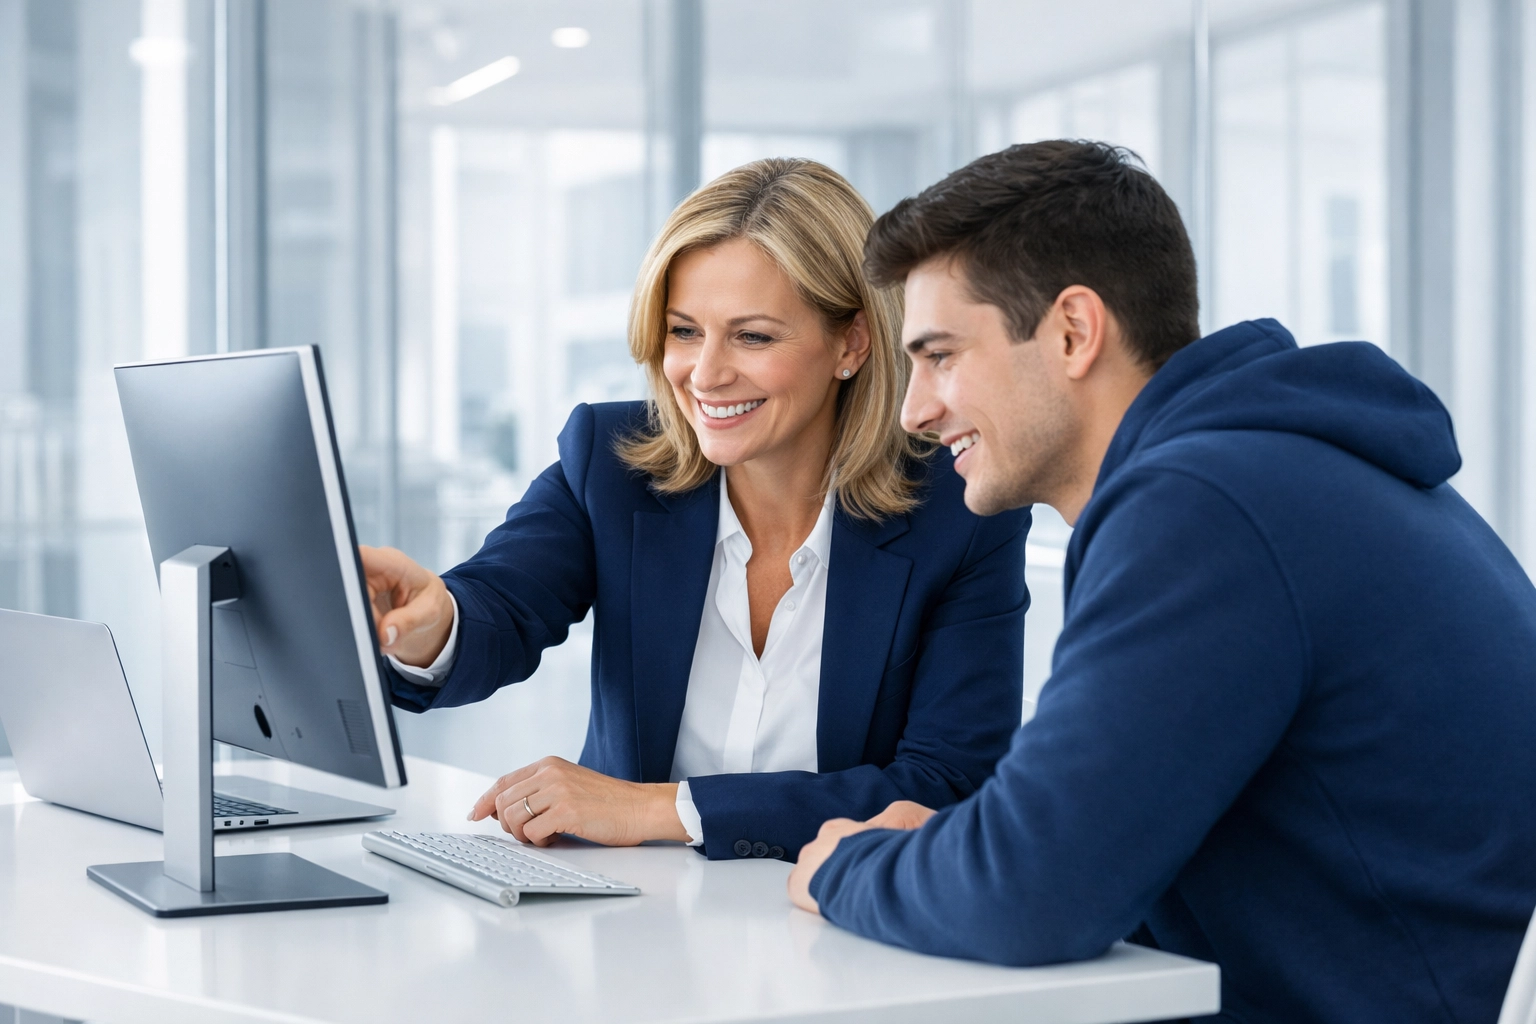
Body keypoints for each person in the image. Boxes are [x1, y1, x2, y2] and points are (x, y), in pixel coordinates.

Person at [786, 140, 1536, 1024]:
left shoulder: (1205, 506)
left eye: (941, 354)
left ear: (1073, 331)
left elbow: (1032, 892)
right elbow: (1075, 829)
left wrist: (844, 866)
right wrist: (956, 845)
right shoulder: (1278, 470)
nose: (914, 409)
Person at [362, 158, 1030, 861]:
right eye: (684, 331)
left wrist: (662, 807)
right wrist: (434, 626)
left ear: (852, 342)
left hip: (844, 923)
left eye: (753, 336)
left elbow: (945, 786)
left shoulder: (959, 508)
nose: (705, 374)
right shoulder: (611, 462)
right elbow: (502, 603)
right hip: (640, 922)